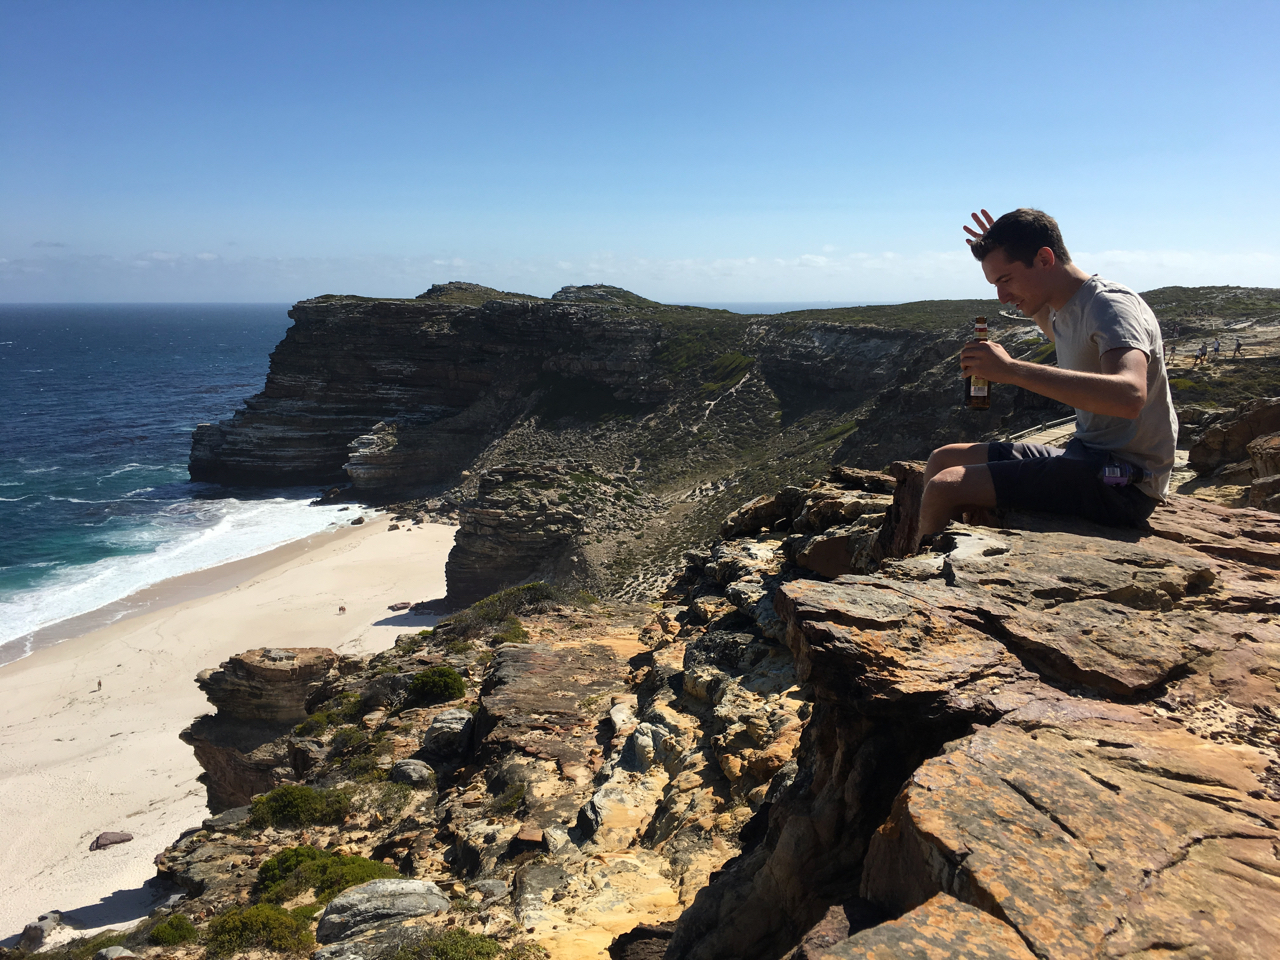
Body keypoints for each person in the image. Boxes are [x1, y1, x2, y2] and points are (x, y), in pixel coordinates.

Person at [918, 208, 1177, 542]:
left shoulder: (1110, 306)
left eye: (1005, 280)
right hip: (1086, 455)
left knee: (945, 487)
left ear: (1044, 258)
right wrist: (1000, 242)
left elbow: (1129, 396)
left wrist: (1011, 370)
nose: (1002, 297)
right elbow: (1047, 316)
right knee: (944, 458)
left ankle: (921, 568)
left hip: (1124, 480)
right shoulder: (1063, 308)